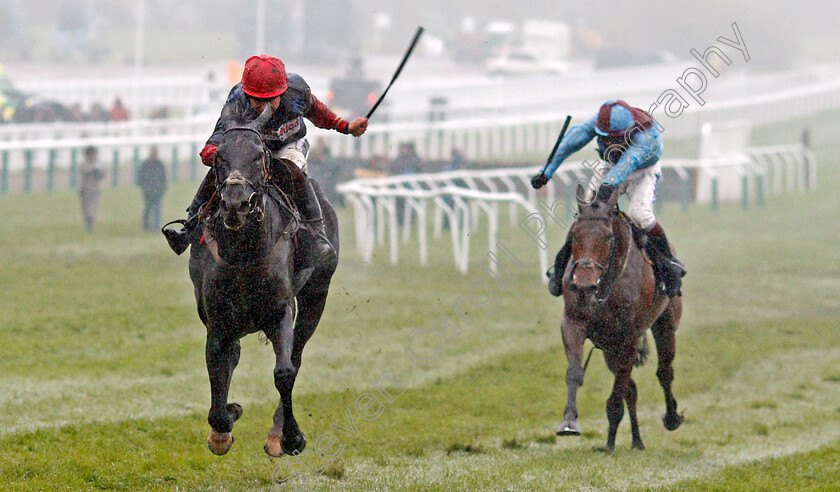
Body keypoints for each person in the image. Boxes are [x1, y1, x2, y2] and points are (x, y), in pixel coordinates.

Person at [162, 54, 368, 263]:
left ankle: (319, 235)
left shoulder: (296, 90)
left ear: (282, 91)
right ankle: (187, 230)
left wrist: (346, 126)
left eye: (270, 99)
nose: (263, 106)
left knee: (294, 173)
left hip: (288, 144)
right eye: (257, 100)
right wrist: (212, 151)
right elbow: (222, 133)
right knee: (216, 173)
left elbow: (318, 112)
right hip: (252, 147)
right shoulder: (238, 100)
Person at [530, 99, 686, 297]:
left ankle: (668, 263)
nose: (611, 144)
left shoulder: (646, 136)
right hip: (611, 167)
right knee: (587, 214)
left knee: (639, 214)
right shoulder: (599, 122)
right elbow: (570, 142)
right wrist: (546, 171)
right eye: (606, 139)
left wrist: (608, 183)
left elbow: (629, 162)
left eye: (616, 140)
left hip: (642, 172)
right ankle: (561, 267)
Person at [137, 146, 167, 231]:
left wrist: (162, 188)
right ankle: (146, 225)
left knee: (157, 209)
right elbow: (141, 177)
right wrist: (144, 187)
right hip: (148, 191)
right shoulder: (146, 164)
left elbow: (163, 178)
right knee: (148, 208)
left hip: (157, 191)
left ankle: (156, 227)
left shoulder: (159, 164)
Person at [78, 145, 106, 232]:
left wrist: (99, 171)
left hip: (95, 188)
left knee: (93, 206)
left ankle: (91, 221)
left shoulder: (98, 163)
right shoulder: (84, 164)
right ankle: (88, 222)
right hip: (85, 188)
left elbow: (102, 175)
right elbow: (84, 172)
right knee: (86, 207)